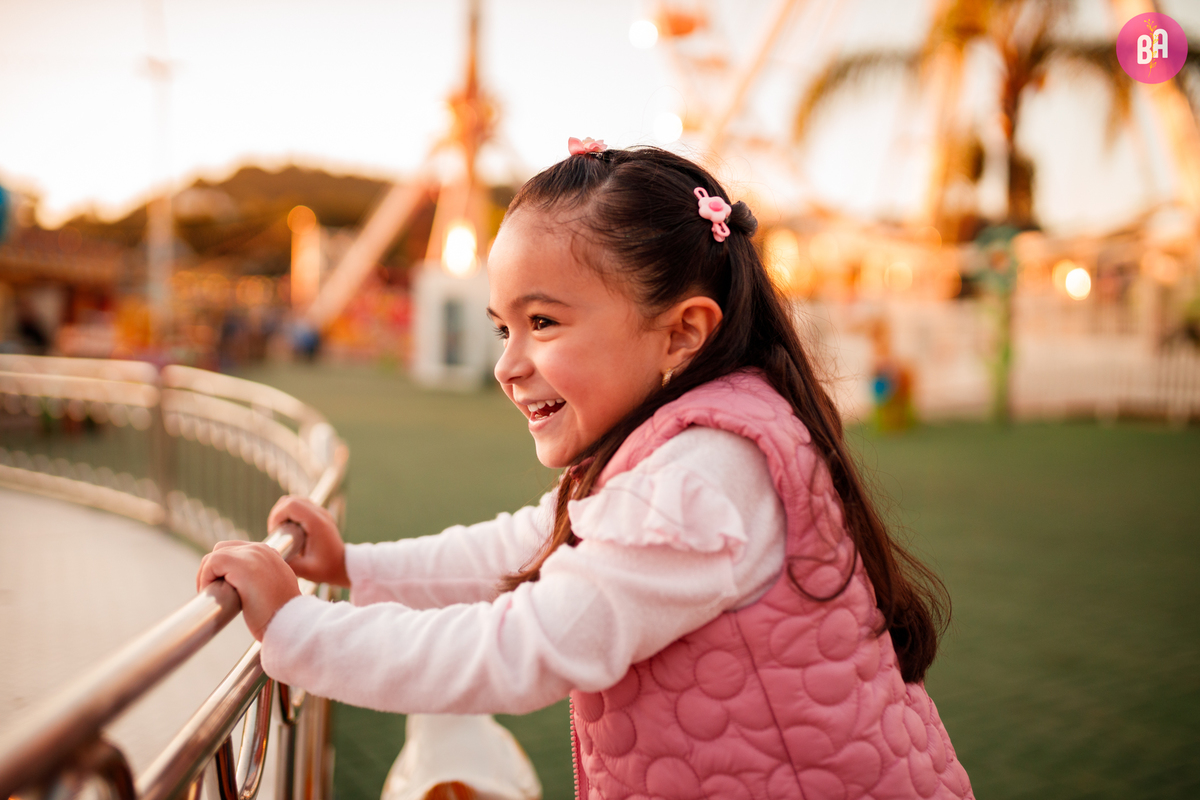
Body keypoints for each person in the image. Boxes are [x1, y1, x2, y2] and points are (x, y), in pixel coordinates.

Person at [198, 140, 974, 800]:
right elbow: (525, 546)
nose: (508, 365)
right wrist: (356, 567)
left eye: (543, 323)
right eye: (504, 326)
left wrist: (300, 629)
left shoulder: (700, 478)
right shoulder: (688, 442)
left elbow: (520, 646)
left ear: (681, 334)